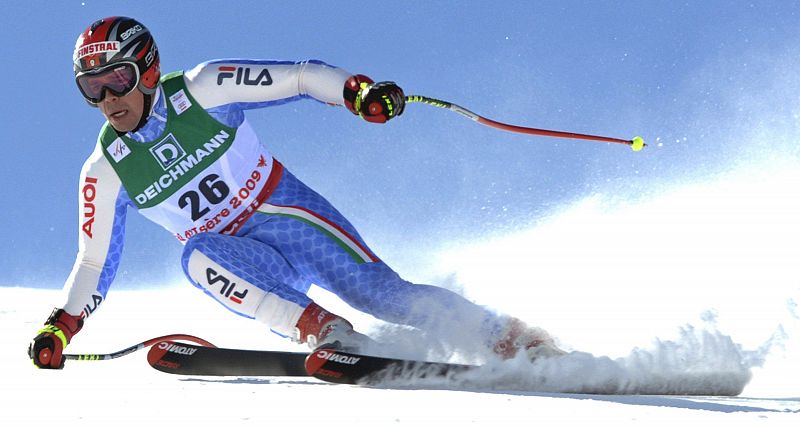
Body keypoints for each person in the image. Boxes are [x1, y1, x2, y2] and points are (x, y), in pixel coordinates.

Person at [29, 16, 562, 369]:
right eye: (90, 88)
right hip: (244, 258)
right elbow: (94, 262)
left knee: (383, 295)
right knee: (195, 256)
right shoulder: (106, 168)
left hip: (289, 215)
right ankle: (326, 332)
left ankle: (515, 340)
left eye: (116, 79)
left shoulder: (203, 89)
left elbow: (302, 78)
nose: (106, 99)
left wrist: (357, 92)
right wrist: (63, 326)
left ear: (148, 70)